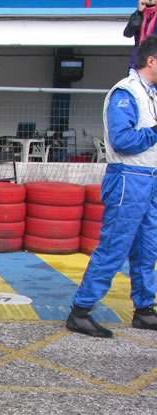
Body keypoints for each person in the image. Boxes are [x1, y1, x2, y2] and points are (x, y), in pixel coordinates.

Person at [65, 36, 157, 338]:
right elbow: (122, 140)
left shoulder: (150, 94)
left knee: (148, 248)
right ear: (151, 61)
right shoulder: (126, 92)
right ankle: (81, 311)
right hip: (129, 178)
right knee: (115, 246)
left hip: (149, 177)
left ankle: (144, 309)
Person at [124, 0, 157, 71]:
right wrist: (139, 13)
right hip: (137, 60)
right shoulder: (139, 14)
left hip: (154, 60)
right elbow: (128, 33)